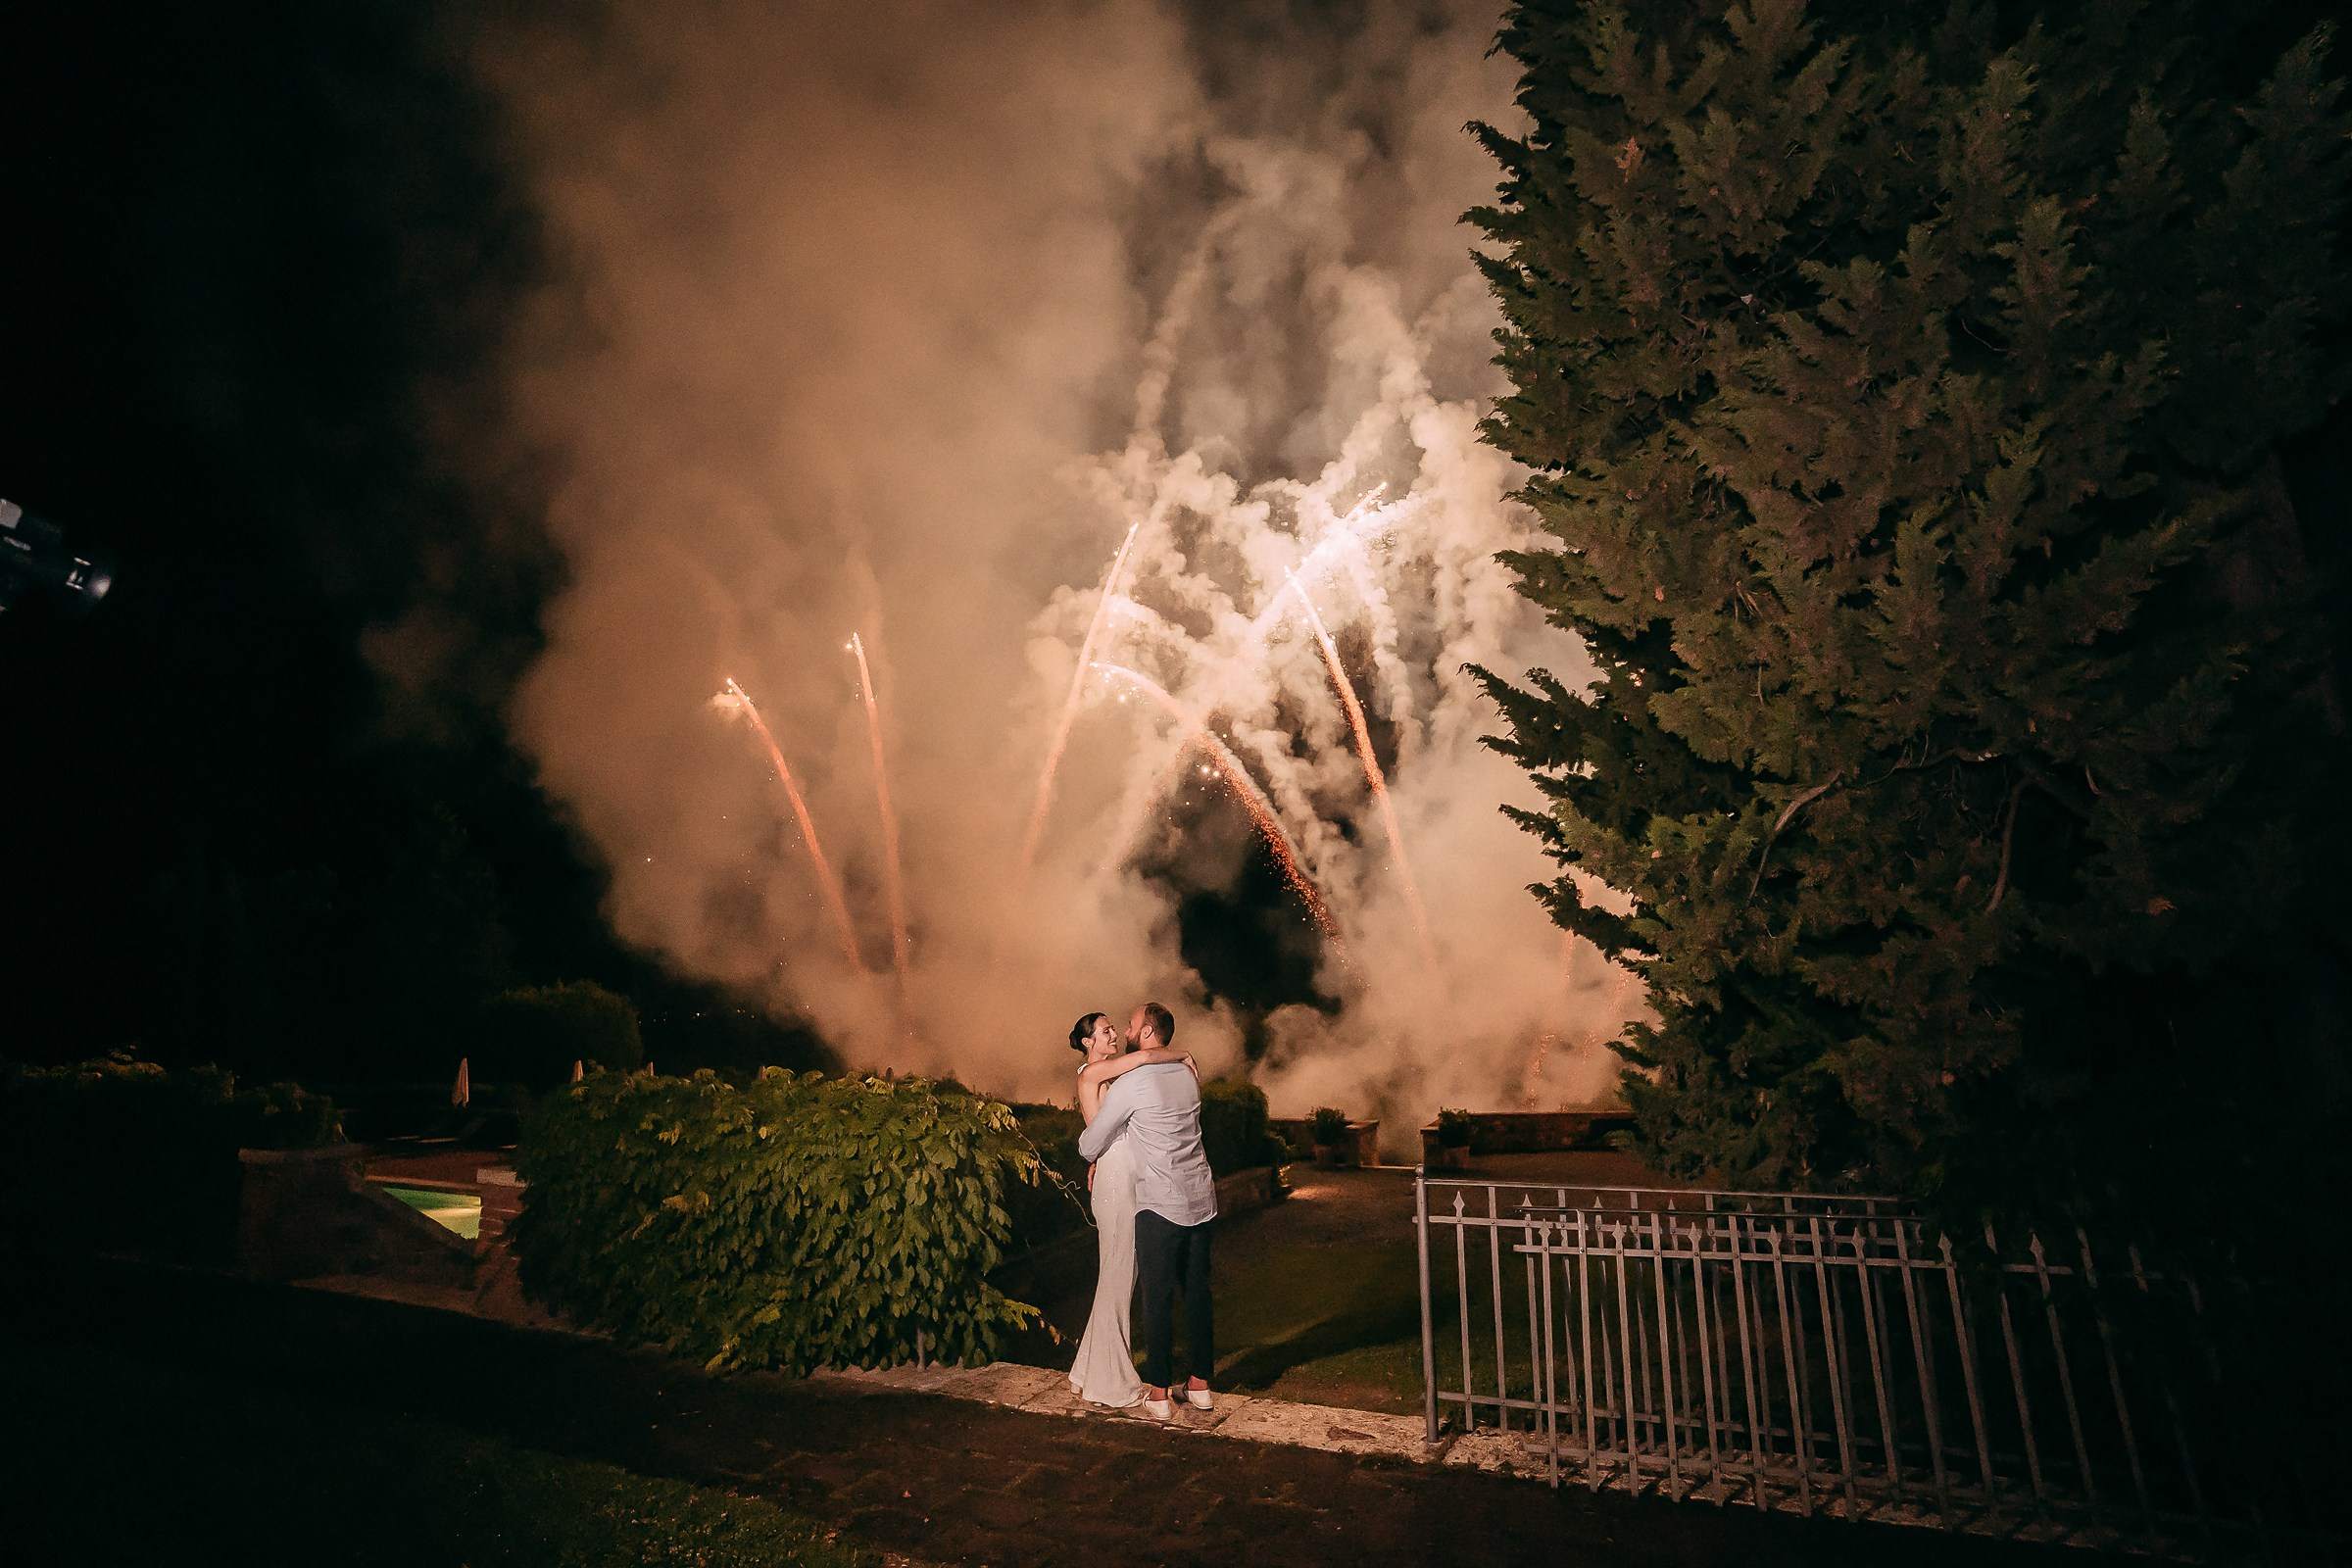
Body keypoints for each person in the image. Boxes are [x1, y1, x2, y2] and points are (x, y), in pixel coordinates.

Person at [1077, 1002, 1217, 1421]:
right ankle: (1201, 1385)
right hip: (1201, 1198)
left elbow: (1089, 1143)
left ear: (1148, 1034)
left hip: (1159, 1200)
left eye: (1132, 1025)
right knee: (1198, 1295)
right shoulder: (1189, 1076)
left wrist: (1094, 1155)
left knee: (1155, 1298)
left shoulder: (1132, 1084)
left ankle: (1158, 1393)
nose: (1125, 1030)